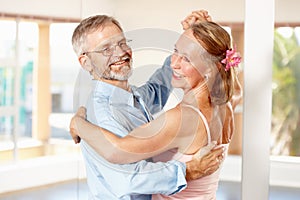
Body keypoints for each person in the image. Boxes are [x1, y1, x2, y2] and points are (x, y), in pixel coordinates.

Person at [70, 20, 242, 199]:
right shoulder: (227, 102)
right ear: (86, 62)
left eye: (122, 43)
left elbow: (158, 88)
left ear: (211, 67)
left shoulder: (139, 99)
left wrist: (77, 124)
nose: (120, 52)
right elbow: (126, 179)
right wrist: (187, 171)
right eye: (106, 49)